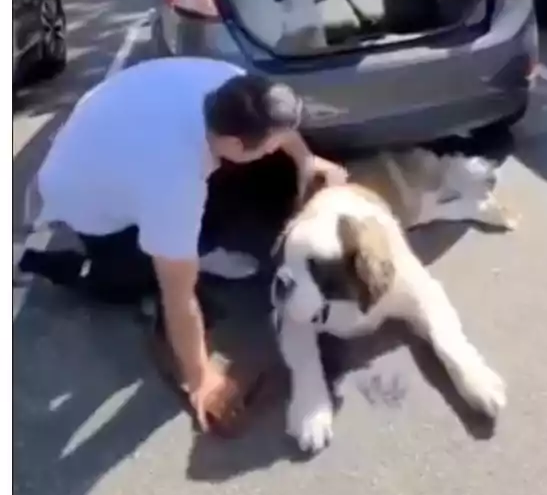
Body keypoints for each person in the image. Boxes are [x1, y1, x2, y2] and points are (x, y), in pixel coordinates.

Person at [17, 57, 348, 431]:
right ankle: (40, 263)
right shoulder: (174, 182)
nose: (276, 148)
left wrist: (306, 160)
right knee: (128, 281)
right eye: (269, 146)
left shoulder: (234, 88)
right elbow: (179, 297)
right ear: (235, 143)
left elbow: (279, 127)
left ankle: (190, 247)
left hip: (107, 129)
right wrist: (200, 378)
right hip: (85, 193)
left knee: (193, 220)